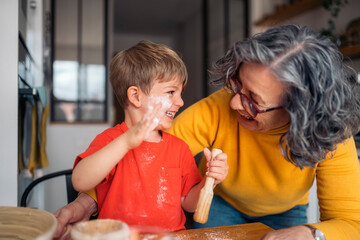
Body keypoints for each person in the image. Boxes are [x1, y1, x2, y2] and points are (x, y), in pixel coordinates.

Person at [54, 25, 360, 240]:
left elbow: (351, 223)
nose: (236, 102)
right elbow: (143, 158)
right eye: (238, 84)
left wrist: (310, 233)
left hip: (286, 212)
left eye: (254, 100)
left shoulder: (329, 132)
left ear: (300, 113)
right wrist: (87, 202)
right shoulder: (217, 109)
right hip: (221, 205)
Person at [60, 40, 229, 236]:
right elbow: (80, 182)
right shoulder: (111, 140)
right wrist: (125, 142)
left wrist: (209, 181)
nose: (180, 102)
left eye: (180, 93)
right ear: (136, 96)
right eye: (171, 92)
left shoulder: (179, 148)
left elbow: (188, 204)